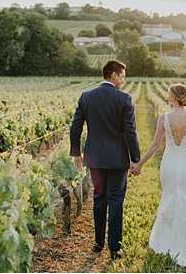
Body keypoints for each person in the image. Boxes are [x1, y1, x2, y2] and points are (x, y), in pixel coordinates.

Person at [131, 83, 186, 269]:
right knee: (184, 199)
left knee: (169, 198)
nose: (167, 96)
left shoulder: (164, 118)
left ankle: (166, 241)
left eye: (169, 94)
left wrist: (139, 164)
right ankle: (183, 242)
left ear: (174, 97)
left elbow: (155, 145)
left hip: (169, 163)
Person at [69, 60, 140, 260]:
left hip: (96, 159)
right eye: (123, 76)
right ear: (113, 75)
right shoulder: (124, 99)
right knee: (116, 200)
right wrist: (135, 159)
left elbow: (75, 127)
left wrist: (76, 153)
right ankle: (115, 248)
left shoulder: (86, 96)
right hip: (118, 159)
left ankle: (98, 243)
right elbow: (130, 131)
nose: (124, 80)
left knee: (99, 198)